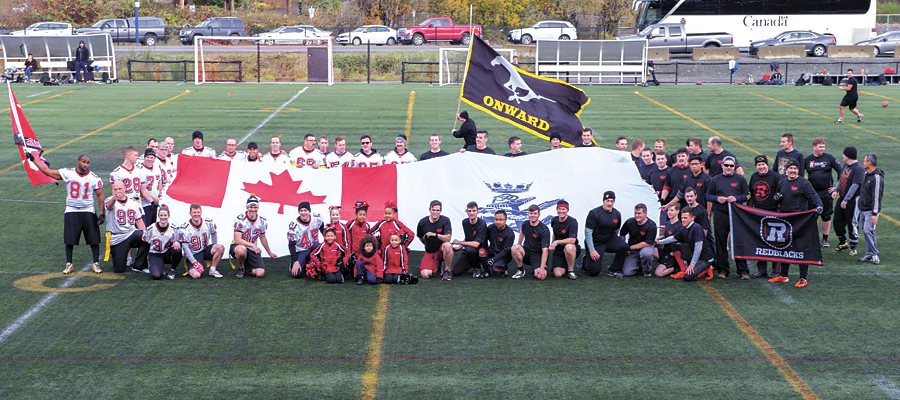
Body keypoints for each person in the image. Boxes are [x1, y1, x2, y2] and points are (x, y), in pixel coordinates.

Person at [30, 153, 104, 274]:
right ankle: (69, 264)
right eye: (83, 162)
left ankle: (96, 263)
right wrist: (34, 160)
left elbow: (100, 195)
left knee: (93, 239)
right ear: (78, 161)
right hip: (72, 209)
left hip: (88, 209)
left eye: (88, 163)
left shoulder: (94, 177)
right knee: (69, 239)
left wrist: (102, 214)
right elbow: (47, 171)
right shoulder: (67, 172)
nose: (86, 165)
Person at [769, 160, 823, 287]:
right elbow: (777, 198)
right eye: (790, 168)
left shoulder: (804, 183)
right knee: (784, 247)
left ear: (798, 170)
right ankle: (783, 275)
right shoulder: (782, 181)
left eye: (795, 168)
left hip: (800, 221)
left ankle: (803, 277)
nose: (792, 171)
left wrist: (819, 206)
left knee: (801, 248)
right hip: (785, 220)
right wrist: (776, 198)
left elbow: (814, 197)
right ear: (786, 170)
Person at [706, 155, 750, 279]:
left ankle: (743, 270)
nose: (729, 168)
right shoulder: (715, 179)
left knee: (738, 242)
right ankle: (723, 270)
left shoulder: (740, 179)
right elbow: (708, 195)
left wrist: (737, 198)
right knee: (721, 242)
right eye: (727, 165)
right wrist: (717, 199)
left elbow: (747, 195)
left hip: (737, 214)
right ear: (722, 166)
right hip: (720, 214)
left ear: (734, 166)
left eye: (731, 165)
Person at [656, 207, 716, 282]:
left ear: (692, 218)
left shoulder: (697, 228)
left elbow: (698, 247)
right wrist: (659, 242)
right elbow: (673, 238)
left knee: (688, 278)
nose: (683, 220)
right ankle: (683, 270)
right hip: (693, 255)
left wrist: (692, 264)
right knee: (675, 244)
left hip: (705, 258)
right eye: (682, 218)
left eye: (685, 218)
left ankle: (707, 268)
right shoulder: (684, 229)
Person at [748, 155, 782, 278]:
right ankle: (762, 269)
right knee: (760, 242)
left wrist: (779, 210)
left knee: (775, 241)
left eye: (763, 165)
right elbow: (751, 194)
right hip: (758, 214)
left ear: (767, 165)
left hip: (773, 213)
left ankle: (776, 270)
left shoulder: (776, 177)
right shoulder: (754, 176)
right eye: (758, 165)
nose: (761, 167)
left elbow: (781, 193)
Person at [804, 138, 842, 247]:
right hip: (812, 193)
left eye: (823, 147)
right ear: (814, 147)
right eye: (820, 147)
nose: (822, 149)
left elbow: (840, 171)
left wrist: (836, 188)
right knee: (813, 215)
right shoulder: (808, 160)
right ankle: (813, 237)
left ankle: (825, 239)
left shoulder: (829, 158)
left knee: (826, 216)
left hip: (826, 192)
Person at [583, 191, 629, 278]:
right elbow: (588, 233)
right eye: (607, 201)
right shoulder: (594, 213)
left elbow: (616, 230)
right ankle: (586, 261)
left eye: (612, 201)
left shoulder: (617, 214)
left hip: (609, 240)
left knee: (624, 246)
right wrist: (592, 250)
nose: (610, 203)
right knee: (594, 272)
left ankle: (614, 269)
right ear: (603, 201)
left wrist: (616, 242)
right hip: (596, 242)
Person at [105, 181, 148, 274]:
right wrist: (114, 198)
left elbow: (139, 221)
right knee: (119, 269)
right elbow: (109, 206)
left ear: (125, 189)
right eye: (115, 189)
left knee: (147, 237)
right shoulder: (110, 200)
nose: (117, 191)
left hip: (131, 233)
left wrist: (146, 233)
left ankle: (139, 265)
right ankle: (119, 256)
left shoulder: (134, 203)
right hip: (117, 237)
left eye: (120, 189)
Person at [231, 195, 276, 278]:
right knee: (241, 250)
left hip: (252, 249)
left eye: (255, 207)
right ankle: (241, 267)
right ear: (247, 207)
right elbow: (237, 239)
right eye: (251, 207)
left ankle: (247, 267)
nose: (253, 209)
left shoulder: (262, 221)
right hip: (238, 246)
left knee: (260, 273)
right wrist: (253, 245)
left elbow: (263, 237)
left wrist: (269, 252)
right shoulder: (240, 219)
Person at [833, 146, 865, 256]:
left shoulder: (858, 168)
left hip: (852, 200)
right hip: (842, 197)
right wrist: (836, 190)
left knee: (852, 222)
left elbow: (855, 186)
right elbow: (841, 179)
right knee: (837, 220)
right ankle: (842, 242)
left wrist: (846, 200)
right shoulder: (846, 165)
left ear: (848, 156)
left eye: (844, 154)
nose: (842, 156)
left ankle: (853, 247)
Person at [179, 204, 225, 279]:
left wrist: (214, 245)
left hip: (205, 249)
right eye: (194, 212)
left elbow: (214, 233)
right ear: (190, 213)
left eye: (198, 212)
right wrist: (194, 262)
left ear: (201, 212)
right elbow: (186, 249)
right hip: (194, 253)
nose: (196, 214)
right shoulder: (185, 228)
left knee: (220, 247)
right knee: (196, 275)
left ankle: (213, 270)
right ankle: (195, 265)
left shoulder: (208, 222)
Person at [510, 204, 550, 280]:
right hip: (527, 253)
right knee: (514, 248)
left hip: (538, 255)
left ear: (539, 214)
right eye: (531, 213)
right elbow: (522, 231)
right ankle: (520, 270)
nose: (533, 215)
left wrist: (542, 268)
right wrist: (519, 244)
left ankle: (538, 269)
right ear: (528, 214)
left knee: (540, 276)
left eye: (535, 213)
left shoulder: (544, 230)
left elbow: (545, 251)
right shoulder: (525, 224)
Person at [416, 200, 454, 280]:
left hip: (441, 249)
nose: (435, 212)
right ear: (429, 209)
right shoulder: (422, 222)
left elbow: (448, 238)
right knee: (425, 274)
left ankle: (447, 270)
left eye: (437, 210)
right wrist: (428, 244)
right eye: (433, 210)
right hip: (430, 251)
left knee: (447, 245)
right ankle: (437, 267)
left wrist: (435, 235)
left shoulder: (445, 220)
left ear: (441, 210)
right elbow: (420, 237)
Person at [142, 205, 182, 280]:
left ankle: (172, 270)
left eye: (165, 215)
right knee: (156, 276)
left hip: (167, 253)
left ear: (169, 215)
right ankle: (158, 267)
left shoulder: (174, 228)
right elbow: (145, 242)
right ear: (158, 216)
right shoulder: (151, 228)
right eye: (161, 215)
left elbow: (178, 241)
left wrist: (177, 242)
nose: (163, 217)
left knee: (178, 249)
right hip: (155, 254)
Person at [857, 153, 883, 265]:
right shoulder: (866, 174)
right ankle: (869, 254)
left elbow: (876, 196)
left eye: (864, 161)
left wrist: (874, 213)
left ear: (870, 163)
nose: (863, 162)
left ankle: (874, 254)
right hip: (863, 209)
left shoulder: (877, 178)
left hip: (870, 210)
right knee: (868, 231)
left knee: (868, 231)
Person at [451, 201, 489, 278]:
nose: (472, 213)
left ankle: (477, 267)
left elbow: (476, 244)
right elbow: (468, 237)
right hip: (469, 251)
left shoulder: (482, 224)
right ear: (467, 212)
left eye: (474, 211)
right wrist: (460, 246)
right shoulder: (464, 222)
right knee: (456, 272)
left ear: (478, 212)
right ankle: (472, 263)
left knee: (470, 249)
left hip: (480, 251)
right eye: (469, 211)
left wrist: (459, 242)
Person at [620, 203, 657, 277]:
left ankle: (647, 270)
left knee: (647, 254)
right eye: (635, 213)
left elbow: (647, 243)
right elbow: (622, 234)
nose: (637, 215)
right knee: (627, 273)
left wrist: (629, 248)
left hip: (645, 247)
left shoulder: (651, 225)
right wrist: (623, 247)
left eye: (639, 213)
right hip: (633, 251)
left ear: (645, 213)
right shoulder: (630, 222)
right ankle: (639, 265)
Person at [288, 201, 323, 278]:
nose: (303, 213)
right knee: (296, 274)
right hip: (302, 250)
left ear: (309, 211)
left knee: (323, 247)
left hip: (314, 246)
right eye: (301, 211)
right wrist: (295, 261)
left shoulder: (317, 218)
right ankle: (297, 263)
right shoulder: (294, 225)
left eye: (305, 210)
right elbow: (291, 244)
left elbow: (322, 227)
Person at [547, 200, 579, 280]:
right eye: (559, 209)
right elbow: (554, 233)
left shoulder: (572, 221)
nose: (561, 211)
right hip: (559, 250)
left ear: (567, 210)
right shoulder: (554, 220)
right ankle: (565, 263)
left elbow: (572, 240)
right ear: (556, 209)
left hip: (571, 248)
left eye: (564, 209)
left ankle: (571, 271)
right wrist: (552, 243)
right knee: (557, 274)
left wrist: (556, 242)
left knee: (568, 247)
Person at [136, 148, 165, 226]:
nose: (149, 159)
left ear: (155, 159)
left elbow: (159, 181)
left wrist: (160, 193)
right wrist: (154, 200)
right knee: (146, 227)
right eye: (148, 157)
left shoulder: (156, 167)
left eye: (152, 157)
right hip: (145, 204)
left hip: (155, 203)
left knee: (155, 226)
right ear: (144, 157)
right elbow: (141, 191)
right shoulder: (140, 170)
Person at [482, 210, 515, 277]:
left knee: (496, 272)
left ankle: (504, 268)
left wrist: (493, 260)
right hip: (492, 251)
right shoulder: (490, 228)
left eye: (500, 220)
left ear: (505, 220)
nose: (498, 222)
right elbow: (484, 239)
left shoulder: (510, 233)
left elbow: (506, 251)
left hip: (503, 255)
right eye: (496, 219)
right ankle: (486, 271)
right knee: (481, 251)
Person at [653, 203, 681, 277]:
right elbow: (665, 236)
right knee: (648, 250)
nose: (669, 212)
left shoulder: (680, 226)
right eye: (668, 210)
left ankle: (676, 267)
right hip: (665, 251)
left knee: (658, 273)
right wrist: (657, 239)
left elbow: (676, 241)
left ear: (677, 211)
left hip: (673, 254)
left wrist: (659, 242)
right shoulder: (668, 223)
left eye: (672, 210)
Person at [345, 201, 372, 276]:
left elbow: (368, 239)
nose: (362, 217)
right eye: (360, 215)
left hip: (362, 254)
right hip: (352, 253)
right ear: (356, 215)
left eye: (364, 215)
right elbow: (345, 235)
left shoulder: (367, 226)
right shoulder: (350, 224)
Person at [650, 151, 673, 224]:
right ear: (655, 160)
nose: (660, 161)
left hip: (668, 202)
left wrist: (660, 193)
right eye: (658, 159)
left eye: (662, 159)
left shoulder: (671, 171)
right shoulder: (652, 172)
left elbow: (672, 186)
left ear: (666, 159)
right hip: (655, 202)